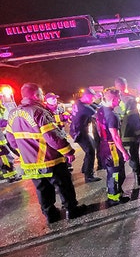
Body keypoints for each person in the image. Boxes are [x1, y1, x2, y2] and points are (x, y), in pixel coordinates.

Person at [5, 83, 86, 224]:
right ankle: (71, 210)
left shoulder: (13, 114)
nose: (43, 96)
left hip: (30, 163)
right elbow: (52, 137)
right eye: (41, 94)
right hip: (50, 160)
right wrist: (68, 151)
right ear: (36, 95)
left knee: (42, 188)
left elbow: (11, 139)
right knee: (63, 185)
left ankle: (50, 215)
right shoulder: (39, 112)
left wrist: (24, 152)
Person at [95, 87, 131, 207]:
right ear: (114, 99)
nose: (119, 101)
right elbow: (115, 137)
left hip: (104, 146)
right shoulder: (112, 115)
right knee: (117, 173)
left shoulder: (100, 110)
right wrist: (124, 152)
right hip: (112, 148)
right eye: (118, 99)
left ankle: (113, 192)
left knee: (111, 173)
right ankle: (114, 197)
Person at [114, 76, 140, 183]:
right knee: (134, 155)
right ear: (125, 85)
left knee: (119, 159)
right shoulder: (131, 99)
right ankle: (137, 176)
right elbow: (135, 118)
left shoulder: (111, 100)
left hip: (116, 136)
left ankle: (118, 183)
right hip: (130, 134)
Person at [69, 88, 101, 183]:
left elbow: (91, 106)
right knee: (90, 151)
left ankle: (85, 168)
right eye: (92, 97)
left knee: (90, 148)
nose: (93, 99)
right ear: (86, 96)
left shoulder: (78, 102)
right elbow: (97, 114)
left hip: (77, 130)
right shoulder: (85, 108)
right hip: (79, 133)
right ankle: (89, 175)